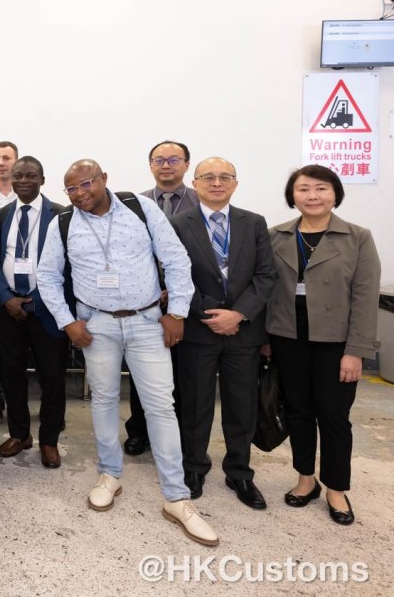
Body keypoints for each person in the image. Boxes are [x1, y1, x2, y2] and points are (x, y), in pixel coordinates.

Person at [36, 159, 218, 547]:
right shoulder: (63, 223)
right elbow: (47, 276)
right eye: (71, 189)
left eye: (86, 184)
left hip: (147, 322)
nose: (80, 193)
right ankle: (109, 474)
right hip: (96, 325)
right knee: (102, 401)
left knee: (160, 406)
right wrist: (67, 321)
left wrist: (177, 312)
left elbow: (175, 259)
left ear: (103, 179)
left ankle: (177, 497)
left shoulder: (139, 206)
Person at [265, 165, 381, 525]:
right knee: (298, 410)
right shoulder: (275, 235)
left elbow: (364, 297)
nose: (312, 196)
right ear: (292, 196)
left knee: (333, 416)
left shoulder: (358, 237)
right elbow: (265, 289)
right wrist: (264, 341)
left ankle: (335, 488)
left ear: (335, 193)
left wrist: (356, 350)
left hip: (336, 342)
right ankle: (305, 479)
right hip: (288, 337)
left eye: (321, 189)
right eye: (303, 189)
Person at [172, 158, 276, 507]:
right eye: (209, 178)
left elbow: (265, 276)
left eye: (224, 177)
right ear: (196, 183)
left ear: (235, 183)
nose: (217, 183)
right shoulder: (177, 224)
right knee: (196, 404)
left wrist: (239, 314)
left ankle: (239, 473)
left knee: (241, 405)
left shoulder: (254, 223)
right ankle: (195, 468)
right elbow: (173, 274)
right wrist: (207, 313)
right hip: (199, 330)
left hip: (243, 332)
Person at [0, 157, 70, 468]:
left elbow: (67, 266)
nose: (23, 180)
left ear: (42, 180)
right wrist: (7, 298)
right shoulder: (1, 215)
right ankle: (20, 434)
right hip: (9, 311)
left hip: (47, 310)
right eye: (18, 175)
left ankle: (49, 440)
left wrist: (35, 299)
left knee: (52, 377)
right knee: (11, 374)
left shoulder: (61, 215)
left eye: (30, 175)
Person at [126, 139, 199, 456]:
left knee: (184, 374)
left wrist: (180, 292)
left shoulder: (201, 202)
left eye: (173, 159)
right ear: (150, 165)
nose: (166, 165)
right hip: (144, 305)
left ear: (186, 164)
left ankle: (178, 437)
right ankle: (139, 432)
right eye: (159, 160)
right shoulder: (134, 204)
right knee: (140, 373)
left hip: (188, 302)